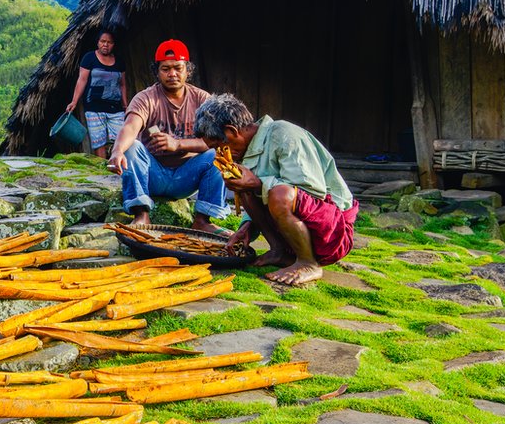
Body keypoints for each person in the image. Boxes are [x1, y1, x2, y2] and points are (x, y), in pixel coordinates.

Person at [194, 93, 359, 285]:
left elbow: (311, 192)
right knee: (243, 185)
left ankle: (308, 263)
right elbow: (259, 194)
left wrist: (257, 183)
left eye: (219, 145)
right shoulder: (247, 150)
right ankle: (279, 250)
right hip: (295, 232)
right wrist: (247, 227)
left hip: (331, 234)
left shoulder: (285, 135)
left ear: (232, 130)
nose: (219, 153)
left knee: (279, 193)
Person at [108, 39, 228, 232]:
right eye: (165, 69)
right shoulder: (146, 98)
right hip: (152, 174)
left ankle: (202, 220)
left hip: (187, 177)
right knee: (132, 147)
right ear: (157, 71)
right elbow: (130, 127)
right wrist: (117, 151)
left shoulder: (203, 100)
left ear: (188, 70)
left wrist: (178, 145)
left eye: (178, 68)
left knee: (220, 153)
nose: (172, 74)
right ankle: (141, 215)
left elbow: (216, 139)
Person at [66, 31, 128, 159]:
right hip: (93, 107)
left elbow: (122, 84)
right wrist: (74, 101)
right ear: (98, 42)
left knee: (120, 139)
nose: (106, 45)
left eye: (109, 42)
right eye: (103, 41)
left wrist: (125, 104)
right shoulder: (89, 58)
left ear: (113, 44)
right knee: (99, 141)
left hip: (115, 108)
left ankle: (117, 167)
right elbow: (82, 80)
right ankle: (102, 170)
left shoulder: (119, 62)